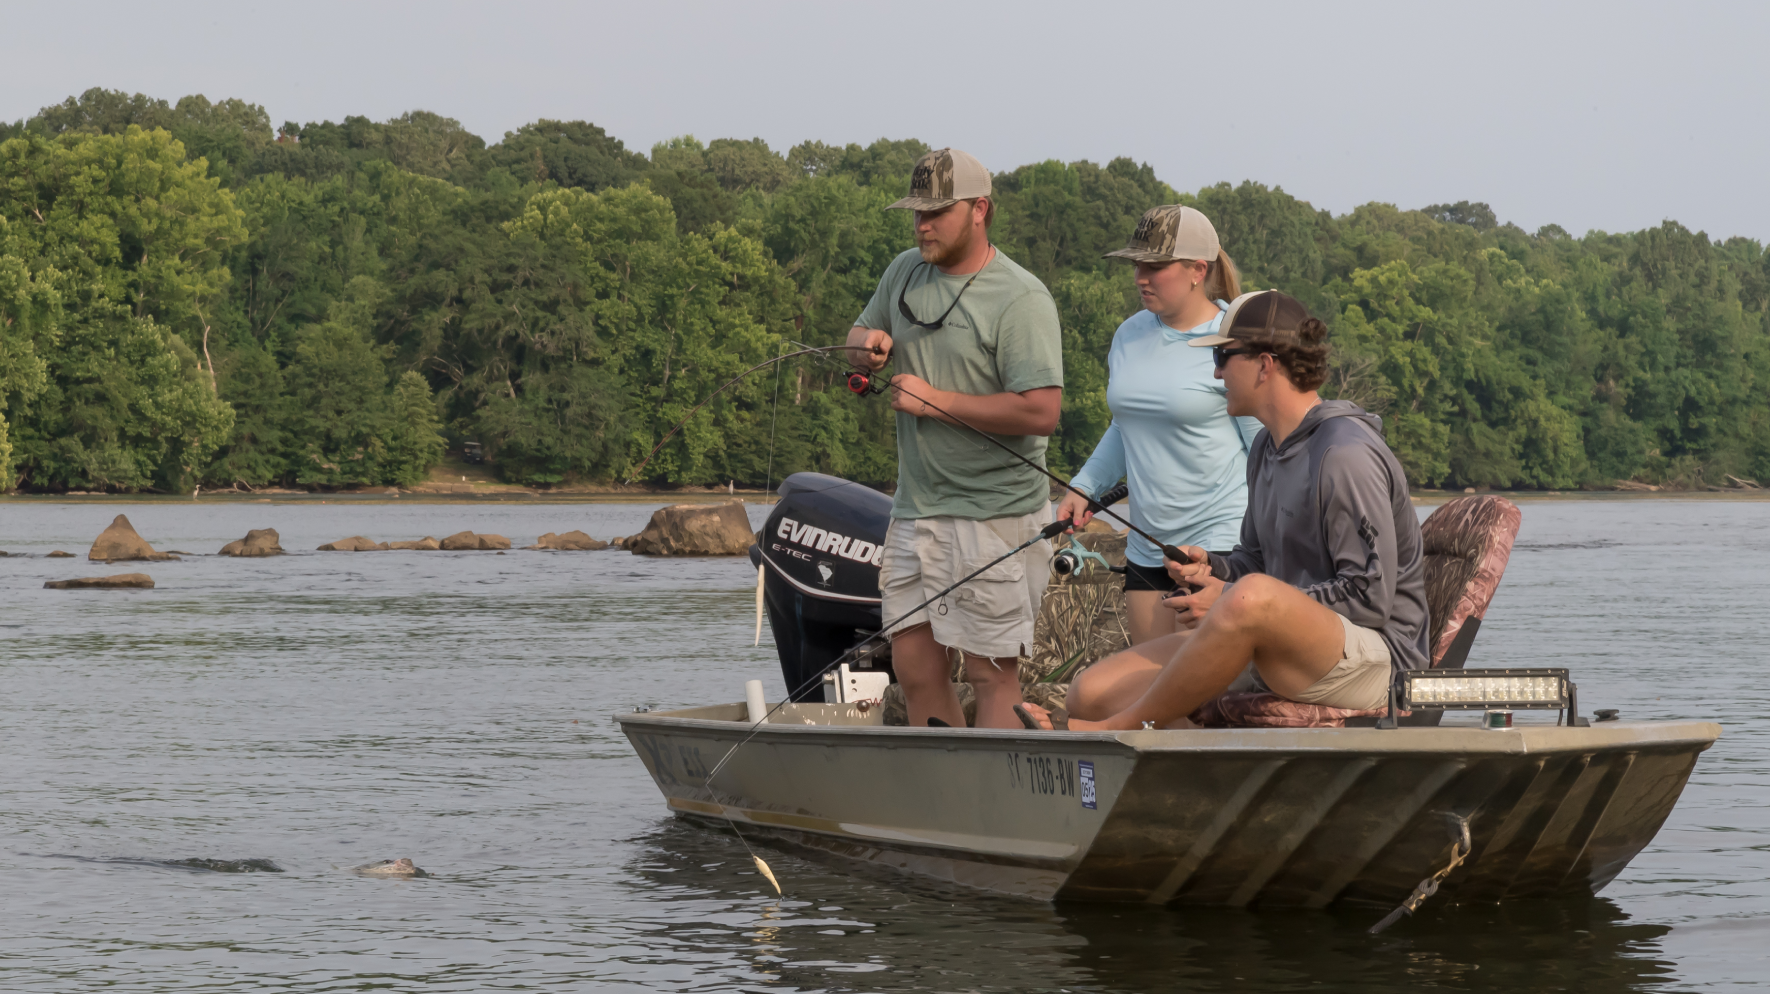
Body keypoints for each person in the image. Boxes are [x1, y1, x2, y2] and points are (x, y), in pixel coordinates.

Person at [1016, 290, 1428, 731]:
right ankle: (1192, 787)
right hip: (1274, 638)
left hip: (1379, 661)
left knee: (1250, 595)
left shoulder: (1343, 454)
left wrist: (1232, 601)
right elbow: (1255, 561)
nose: (1215, 373)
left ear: (1265, 365)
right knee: (1090, 693)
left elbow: (1370, 597)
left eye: (1223, 357)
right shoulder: (1265, 448)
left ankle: (1115, 731)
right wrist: (1212, 568)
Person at [845, 147, 1064, 729]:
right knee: (915, 668)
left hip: (994, 518)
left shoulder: (1021, 298)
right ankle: (942, 798)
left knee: (993, 676)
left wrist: (935, 402)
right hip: (915, 510)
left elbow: (1042, 411)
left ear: (979, 210)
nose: (922, 224)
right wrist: (866, 343)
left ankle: (1002, 806)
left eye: (937, 212)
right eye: (916, 212)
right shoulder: (903, 271)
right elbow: (856, 334)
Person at [1057, 206, 1261, 645]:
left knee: (1193, 697)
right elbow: (1125, 425)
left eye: (1154, 266)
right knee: (1150, 684)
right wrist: (1085, 485)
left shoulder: (1232, 341)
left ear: (1196, 270)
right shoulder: (1129, 334)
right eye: (1136, 265)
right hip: (1147, 546)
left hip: (1219, 544)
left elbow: (1266, 451)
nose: (1140, 277)